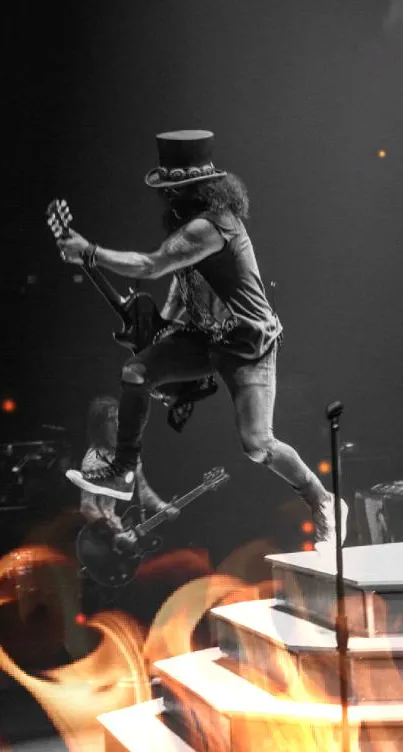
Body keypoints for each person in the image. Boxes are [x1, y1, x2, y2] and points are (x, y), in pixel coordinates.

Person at [58, 129, 348, 550]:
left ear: (200, 190)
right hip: (204, 338)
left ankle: (322, 501)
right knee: (137, 372)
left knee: (257, 445)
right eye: (167, 191)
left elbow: (151, 264)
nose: (169, 199)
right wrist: (155, 343)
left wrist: (91, 252)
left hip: (248, 344)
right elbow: (180, 294)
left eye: (176, 190)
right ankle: (124, 468)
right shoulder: (187, 230)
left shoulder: (213, 227)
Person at [80, 395, 176, 539]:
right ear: (100, 426)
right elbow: (88, 507)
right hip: (108, 541)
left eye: (119, 418)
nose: (117, 423)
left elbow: (142, 489)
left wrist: (161, 506)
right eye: (111, 419)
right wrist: (115, 534)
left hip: (134, 534)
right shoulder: (94, 460)